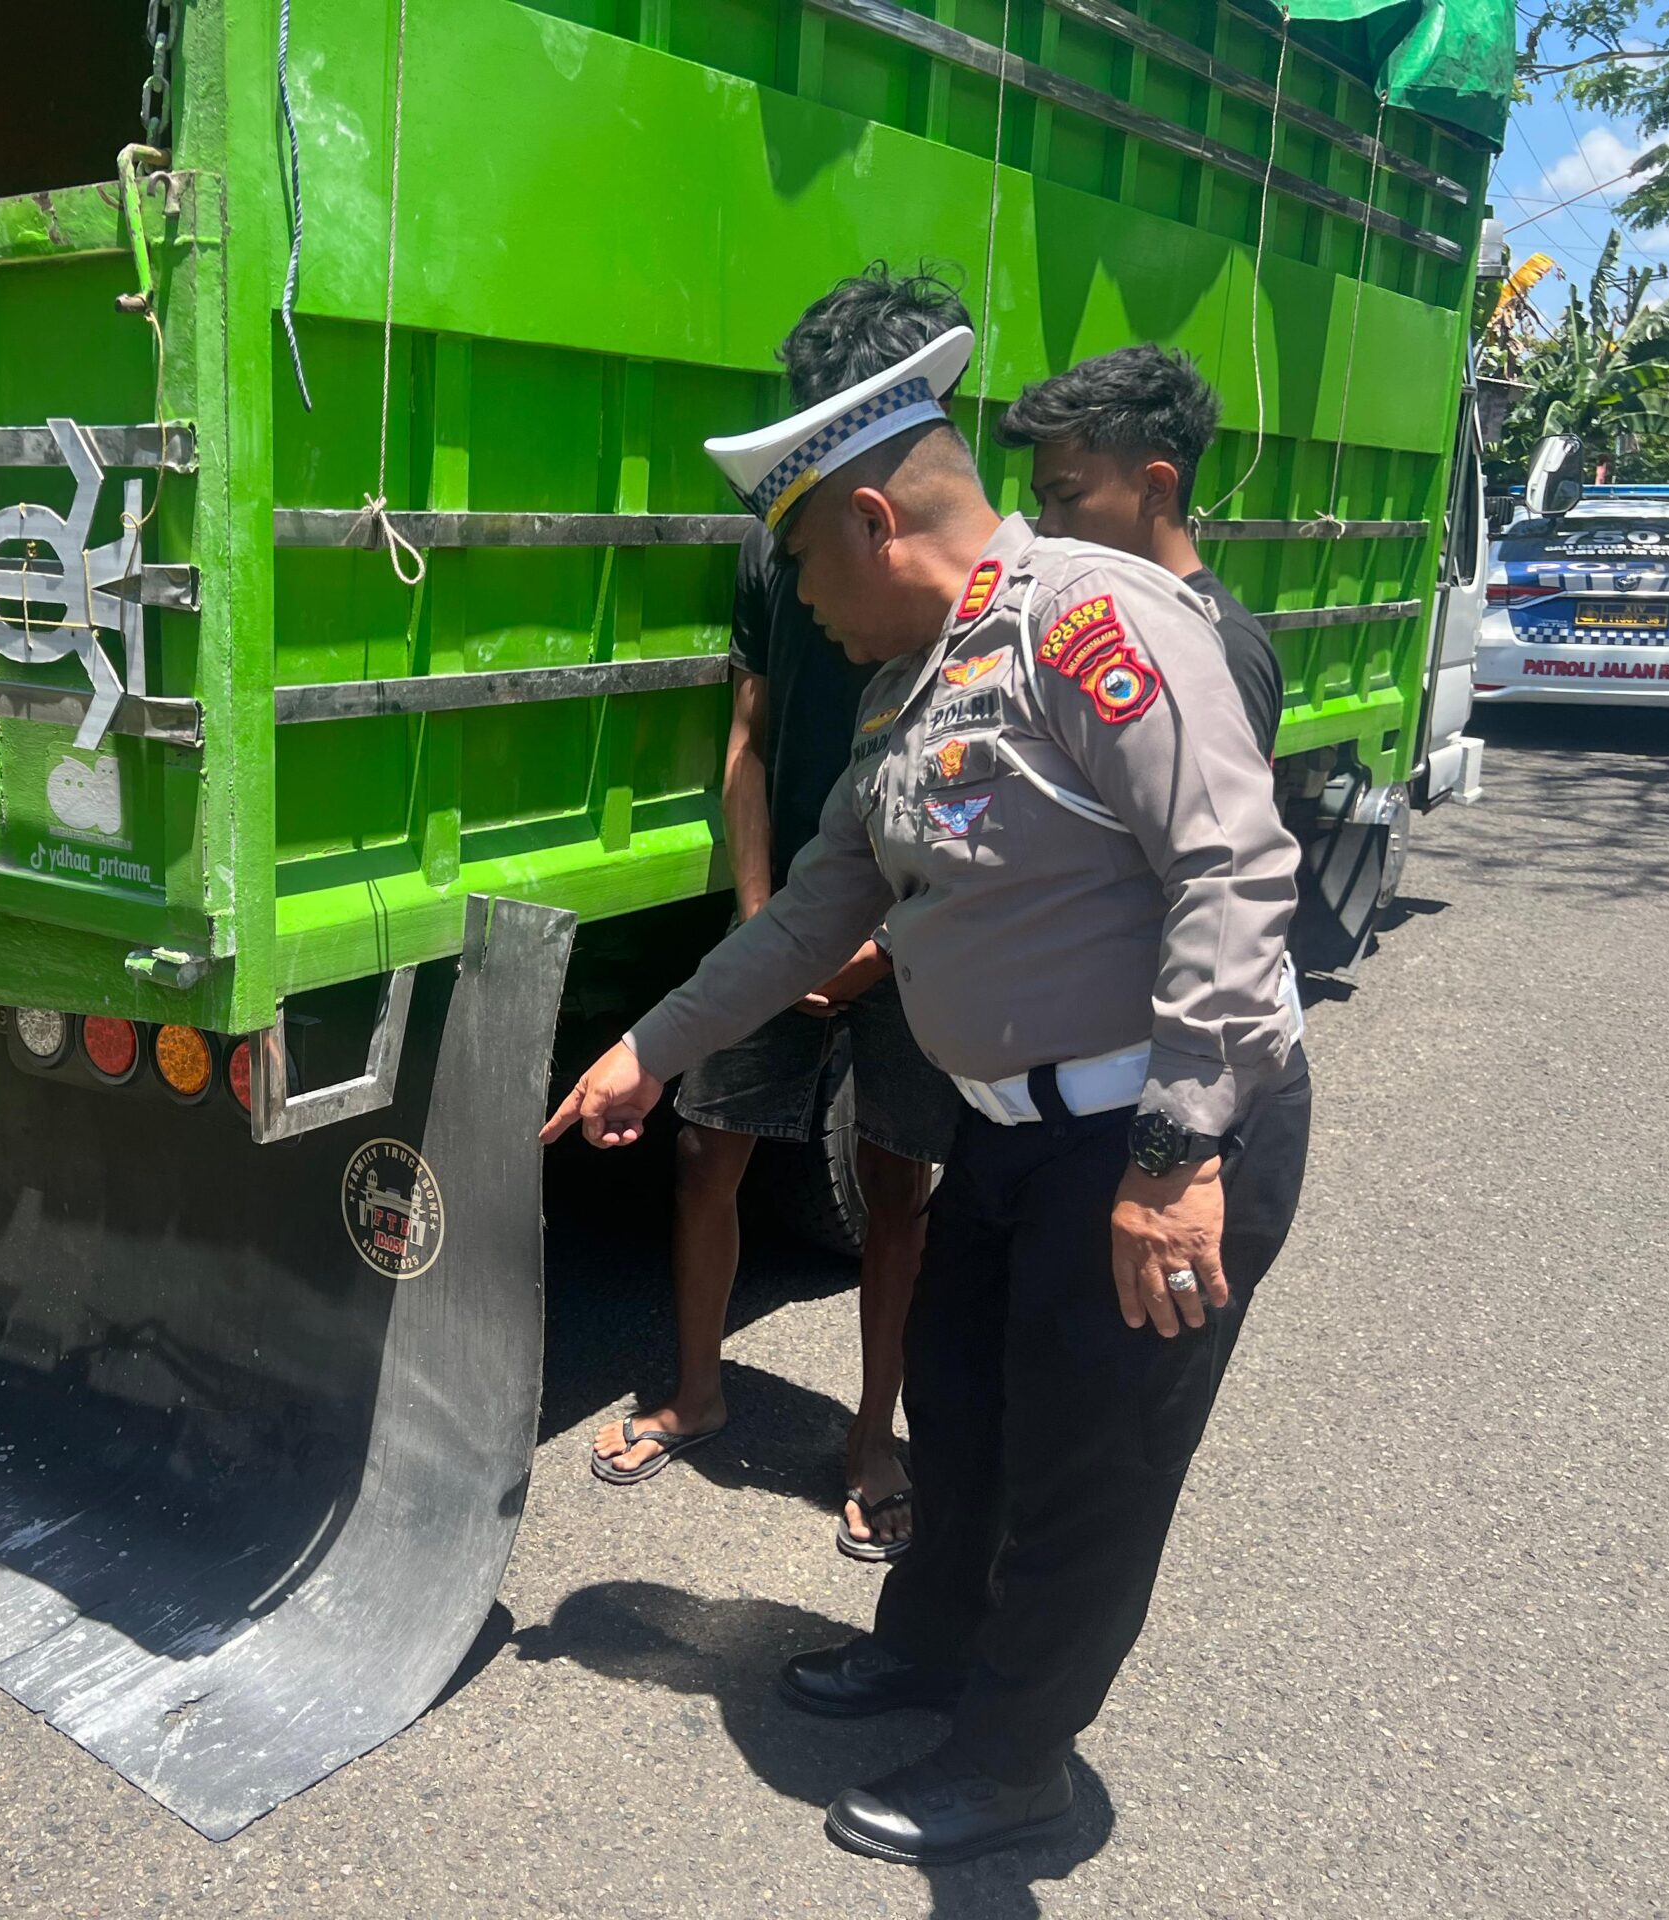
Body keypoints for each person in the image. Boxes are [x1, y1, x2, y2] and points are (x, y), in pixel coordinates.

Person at [542, 286, 1311, 1866]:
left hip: (1159, 1132)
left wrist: (1177, 1157)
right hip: (1015, 1134)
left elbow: (1233, 872)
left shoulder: (1091, 625)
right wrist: (645, 1050)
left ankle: (1017, 1768)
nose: (803, 608)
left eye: (804, 568)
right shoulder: (914, 687)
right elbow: (809, 919)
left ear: (875, 521)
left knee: (1086, 1473)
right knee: (961, 1415)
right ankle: (933, 1653)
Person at [590, 273, 967, 1571]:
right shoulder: (779, 550)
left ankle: (873, 1442)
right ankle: (696, 1392)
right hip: (793, 911)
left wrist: (879, 944)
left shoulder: (987, 617)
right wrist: (768, 925)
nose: (810, 586)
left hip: (907, 927)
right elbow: (746, 742)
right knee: (706, 1147)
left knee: (897, 1185)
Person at [995, 345, 1282, 758]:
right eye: (1042, 503)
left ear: (1155, 488)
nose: (1048, 527)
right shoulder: (1079, 618)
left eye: (1069, 497)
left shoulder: (1221, 649)